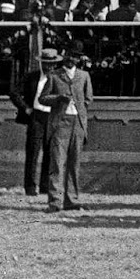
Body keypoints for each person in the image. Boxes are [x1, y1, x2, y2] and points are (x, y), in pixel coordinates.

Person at [38, 45, 92, 213]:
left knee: (74, 163)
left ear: (79, 59)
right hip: (60, 123)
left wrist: (79, 110)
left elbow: (88, 98)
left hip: (78, 123)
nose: (71, 59)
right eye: (68, 55)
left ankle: (71, 200)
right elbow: (42, 98)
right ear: (64, 56)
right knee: (57, 163)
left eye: (75, 56)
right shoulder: (54, 75)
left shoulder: (84, 76)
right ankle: (55, 201)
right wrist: (58, 99)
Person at [13, 51, 53, 196]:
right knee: (32, 152)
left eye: (51, 64)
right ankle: (30, 187)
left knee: (49, 152)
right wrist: (26, 108)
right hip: (36, 117)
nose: (48, 67)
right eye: (46, 63)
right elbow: (14, 93)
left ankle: (45, 186)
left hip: (51, 117)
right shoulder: (31, 77)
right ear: (41, 63)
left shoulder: (58, 78)